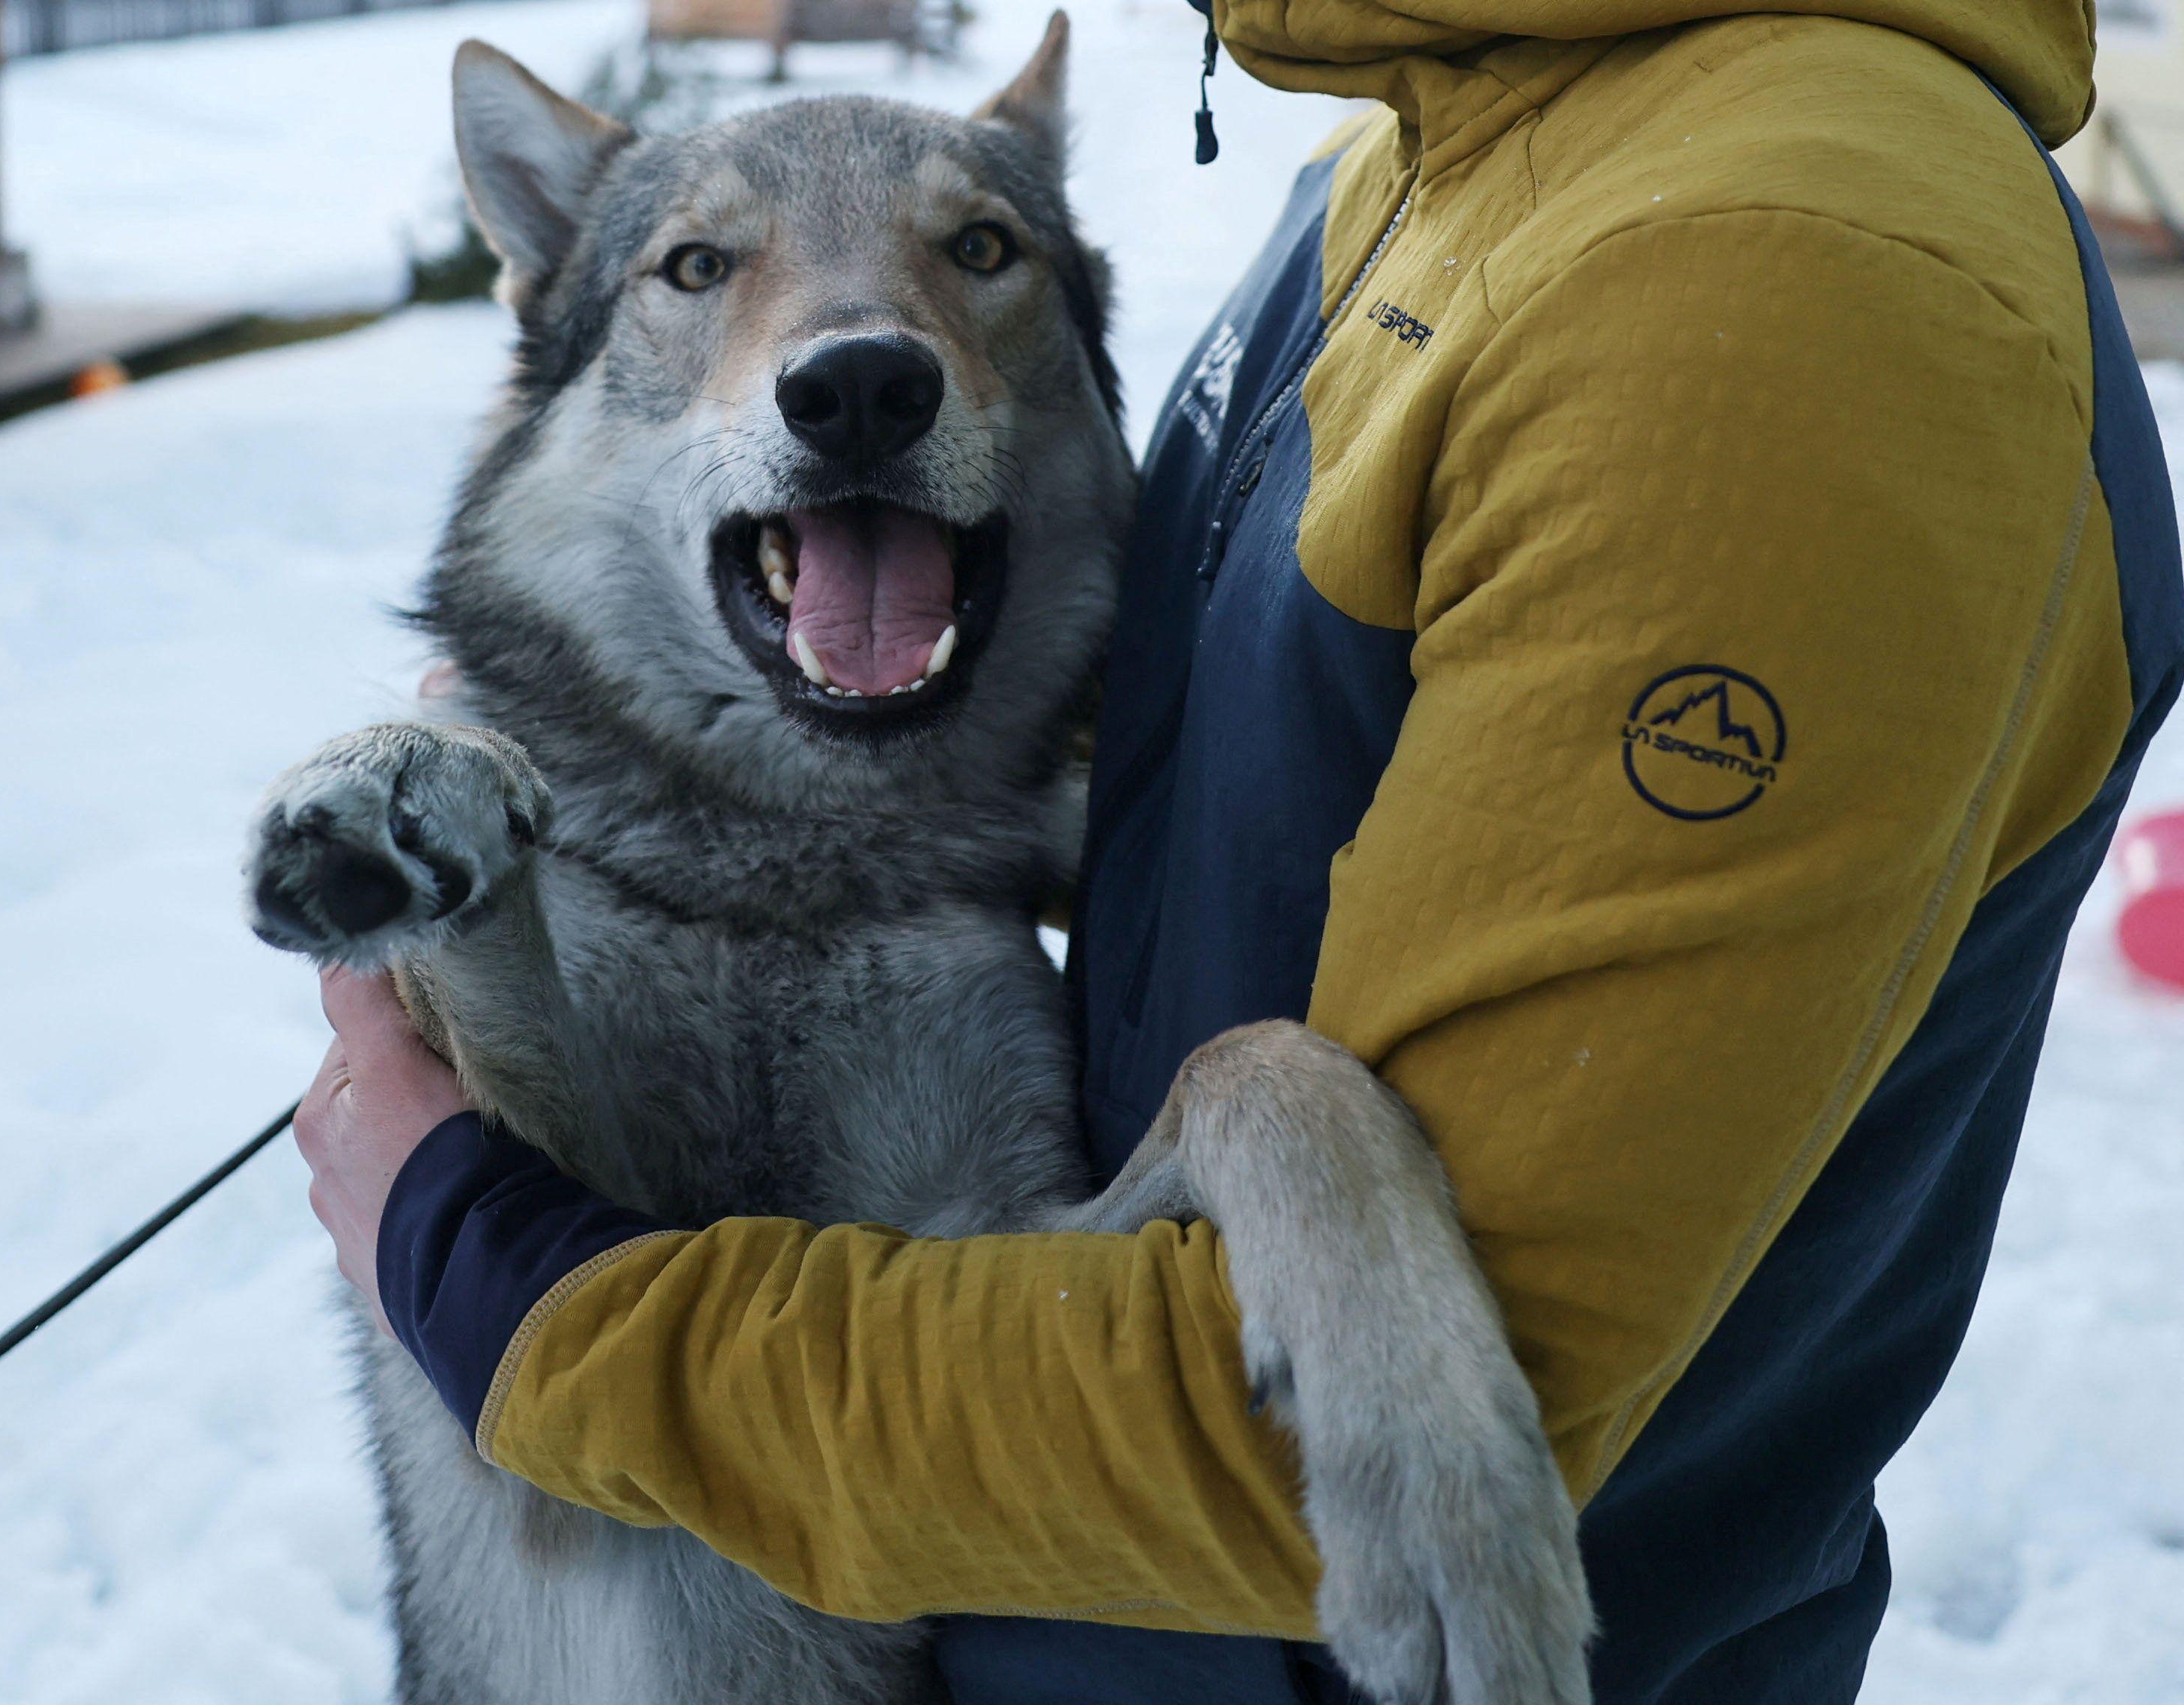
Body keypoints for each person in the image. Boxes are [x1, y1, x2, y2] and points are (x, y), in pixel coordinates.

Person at [294, 1, 2184, 1698]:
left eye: (971, 250)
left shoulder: (1776, 272)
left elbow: (1309, 1454)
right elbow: (1254, 764)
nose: (863, 335)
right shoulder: (1402, 164)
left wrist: (498, 1276)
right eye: (710, 265)